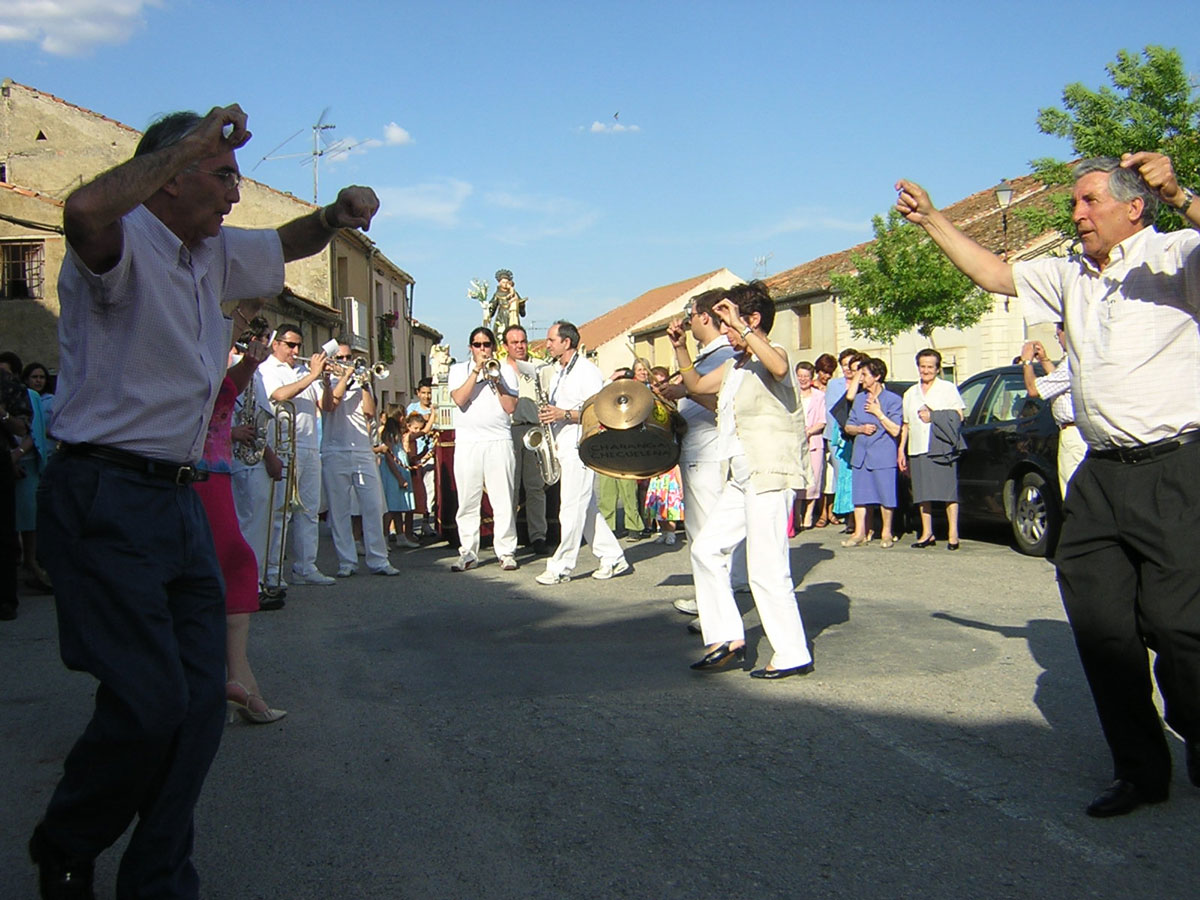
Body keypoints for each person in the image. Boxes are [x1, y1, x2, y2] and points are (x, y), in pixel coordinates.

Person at [29, 104, 378, 898]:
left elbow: (288, 243)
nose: (233, 193)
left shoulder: (211, 252)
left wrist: (333, 215)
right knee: (149, 703)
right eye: (222, 176)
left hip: (181, 495)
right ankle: (67, 843)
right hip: (105, 492)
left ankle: (158, 877)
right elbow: (80, 210)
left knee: (197, 707)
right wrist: (190, 142)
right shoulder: (122, 240)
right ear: (171, 175)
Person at [896, 150, 1200, 817]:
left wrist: (1180, 191)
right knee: (1101, 629)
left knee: (1180, 630)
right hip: (1099, 473)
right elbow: (997, 274)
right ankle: (1141, 772)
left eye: (1089, 201)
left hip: (1177, 468)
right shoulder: (1070, 275)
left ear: (1134, 205)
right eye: (1074, 203)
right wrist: (933, 222)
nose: (1076, 214)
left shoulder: (1179, 254)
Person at [668, 281, 814, 679]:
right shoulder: (735, 366)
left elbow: (781, 367)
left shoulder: (775, 355)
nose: (724, 333)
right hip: (740, 475)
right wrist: (680, 347)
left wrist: (745, 329)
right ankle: (727, 638)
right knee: (707, 549)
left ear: (750, 320)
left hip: (770, 473)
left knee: (767, 569)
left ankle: (791, 652)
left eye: (727, 324)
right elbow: (695, 386)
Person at [193, 336, 286, 726]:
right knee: (219, 570)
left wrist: (248, 362)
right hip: (193, 473)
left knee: (234, 567)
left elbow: (223, 391)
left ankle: (237, 679)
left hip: (213, 473)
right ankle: (234, 681)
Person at [656, 290, 748, 617]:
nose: (690, 322)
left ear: (704, 317)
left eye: (692, 316)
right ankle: (712, 597)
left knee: (707, 533)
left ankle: (714, 606)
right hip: (699, 451)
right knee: (704, 531)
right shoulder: (709, 356)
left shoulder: (723, 356)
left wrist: (686, 391)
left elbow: (726, 407)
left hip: (709, 454)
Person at [535, 321, 631, 584]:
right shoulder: (558, 372)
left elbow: (600, 411)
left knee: (570, 508)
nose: (547, 344)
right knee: (586, 509)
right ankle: (613, 557)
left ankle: (561, 566)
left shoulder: (587, 371)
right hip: (562, 444)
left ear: (566, 342)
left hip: (581, 446)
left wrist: (562, 414)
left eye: (551, 340)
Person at [258, 324, 336, 587]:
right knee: (280, 512)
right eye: (290, 345)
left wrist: (324, 380)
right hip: (282, 446)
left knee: (309, 510)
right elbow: (279, 395)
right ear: (275, 344)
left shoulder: (304, 372)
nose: (295, 350)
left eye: (298, 346)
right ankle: (272, 571)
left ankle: (305, 566)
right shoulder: (267, 369)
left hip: (309, 446)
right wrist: (312, 375)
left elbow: (326, 407)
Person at [321, 341, 400, 578]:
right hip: (335, 450)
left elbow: (369, 411)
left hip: (363, 450)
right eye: (342, 358)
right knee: (340, 510)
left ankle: (378, 559)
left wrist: (365, 384)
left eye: (349, 359)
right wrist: (344, 378)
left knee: (373, 505)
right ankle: (347, 561)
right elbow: (329, 406)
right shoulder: (325, 382)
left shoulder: (361, 382)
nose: (347, 363)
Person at [448, 326, 520, 571]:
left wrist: (497, 379)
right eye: (477, 345)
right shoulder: (458, 370)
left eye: (486, 344)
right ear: (470, 348)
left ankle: (506, 551)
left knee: (503, 500)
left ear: (493, 347)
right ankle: (468, 552)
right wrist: (477, 372)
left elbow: (510, 407)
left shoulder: (507, 370)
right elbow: (459, 399)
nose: (482, 349)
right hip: (469, 442)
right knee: (468, 500)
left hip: (499, 440)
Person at [228, 313, 287, 610]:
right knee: (250, 528)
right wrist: (271, 457)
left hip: (252, 459)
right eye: (265, 340)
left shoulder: (257, 374)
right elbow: (246, 420)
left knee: (255, 526)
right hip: (248, 460)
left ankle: (256, 582)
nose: (267, 345)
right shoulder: (238, 370)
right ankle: (249, 588)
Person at [898, 348, 966, 549]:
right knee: (922, 493)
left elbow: (959, 416)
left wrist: (934, 415)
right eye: (922, 366)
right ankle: (927, 532)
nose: (926, 370)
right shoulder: (911, 393)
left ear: (937, 369)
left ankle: (953, 533)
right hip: (917, 446)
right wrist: (901, 450)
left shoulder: (947, 388)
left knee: (948, 492)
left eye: (930, 367)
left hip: (941, 446)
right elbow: (906, 424)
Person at [0, 351, 52, 594]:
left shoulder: (28, 396)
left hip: (25, 465)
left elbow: (33, 431)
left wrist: (15, 456)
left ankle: (31, 564)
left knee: (27, 521)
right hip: (6, 465)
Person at [1019, 324, 1087, 496]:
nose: (1058, 340)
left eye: (1058, 335)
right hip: (1078, 431)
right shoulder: (1073, 360)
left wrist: (1027, 362)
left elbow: (1034, 390)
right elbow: (1058, 383)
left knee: (1072, 490)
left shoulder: (1073, 361)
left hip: (1073, 432)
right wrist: (1044, 360)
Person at [842, 358, 903, 549]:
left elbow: (895, 430)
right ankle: (859, 532)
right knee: (860, 497)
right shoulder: (859, 399)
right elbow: (848, 426)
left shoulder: (893, 400)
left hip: (883, 455)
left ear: (877, 376)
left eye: (865, 375)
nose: (862, 379)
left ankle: (886, 532)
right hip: (861, 454)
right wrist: (860, 429)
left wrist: (878, 413)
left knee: (886, 496)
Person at [503, 324, 550, 554]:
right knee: (509, 488)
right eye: (514, 342)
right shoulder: (499, 370)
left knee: (535, 487)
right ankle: (507, 540)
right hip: (509, 430)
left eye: (522, 341)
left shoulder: (539, 368)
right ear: (506, 346)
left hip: (534, 430)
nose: (520, 346)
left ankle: (538, 536)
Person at [0, 363, 31, 621]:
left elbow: (23, 429)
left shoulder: (9, 386)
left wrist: (1, 414)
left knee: (4, 535)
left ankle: (6, 600)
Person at [791, 361, 826, 532]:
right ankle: (796, 514)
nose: (803, 379)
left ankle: (809, 514)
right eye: (800, 376)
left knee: (814, 478)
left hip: (814, 441)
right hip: (794, 442)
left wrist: (810, 431)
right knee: (798, 478)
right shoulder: (791, 393)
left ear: (812, 378)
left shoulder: (819, 396)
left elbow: (822, 420)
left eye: (806, 376)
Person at [405, 378, 438, 535]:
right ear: (418, 393)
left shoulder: (436, 407)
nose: (426, 396)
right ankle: (407, 528)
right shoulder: (413, 408)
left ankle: (426, 522)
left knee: (429, 492)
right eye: (423, 393)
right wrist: (431, 416)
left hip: (430, 454)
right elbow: (414, 420)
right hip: (414, 456)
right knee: (414, 493)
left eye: (429, 393)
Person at [379, 416, 417, 545]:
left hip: (400, 471)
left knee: (399, 506)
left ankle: (401, 537)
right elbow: (389, 457)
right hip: (392, 474)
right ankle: (384, 538)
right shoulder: (390, 435)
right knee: (390, 507)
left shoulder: (398, 435)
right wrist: (399, 477)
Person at [812, 353, 838, 527]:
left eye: (829, 373)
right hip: (815, 436)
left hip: (832, 434)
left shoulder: (834, 388)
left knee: (831, 475)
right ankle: (819, 512)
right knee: (818, 476)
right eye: (824, 372)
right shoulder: (810, 386)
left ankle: (830, 511)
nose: (826, 376)